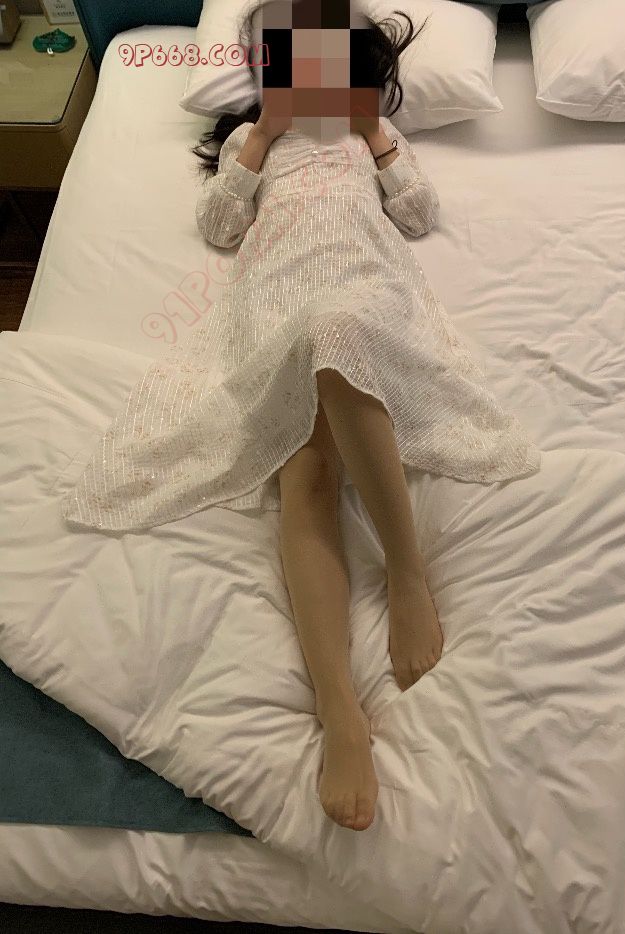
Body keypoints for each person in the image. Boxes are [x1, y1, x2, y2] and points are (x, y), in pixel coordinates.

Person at [60, 0, 541, 832]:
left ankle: (407, 572)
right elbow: (219, 227)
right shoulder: (255, 140)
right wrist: (262, 134)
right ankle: (338, 710)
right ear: (268, 71)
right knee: (305, 469)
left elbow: (419, 215)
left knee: (340, 332)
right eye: (288, 60)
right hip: (276, 288)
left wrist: (373, 130)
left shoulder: (369, 137)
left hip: (362, 279)